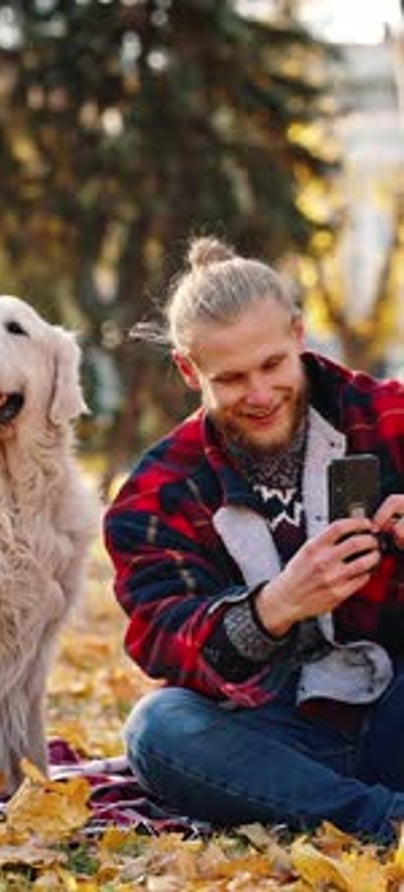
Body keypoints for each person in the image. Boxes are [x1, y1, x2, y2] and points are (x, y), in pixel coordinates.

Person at [104, 236, 404, 843]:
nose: (261, 395)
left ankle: (345, 812)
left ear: (297, 334)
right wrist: (274, 608)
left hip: (397, 703)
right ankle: (383, 820)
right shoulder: (158, 489)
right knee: (157, 728)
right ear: (189, 370)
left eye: (272, 365)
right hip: (275, 732)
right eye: (232, 379)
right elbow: (161, 637)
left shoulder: (386, 417)